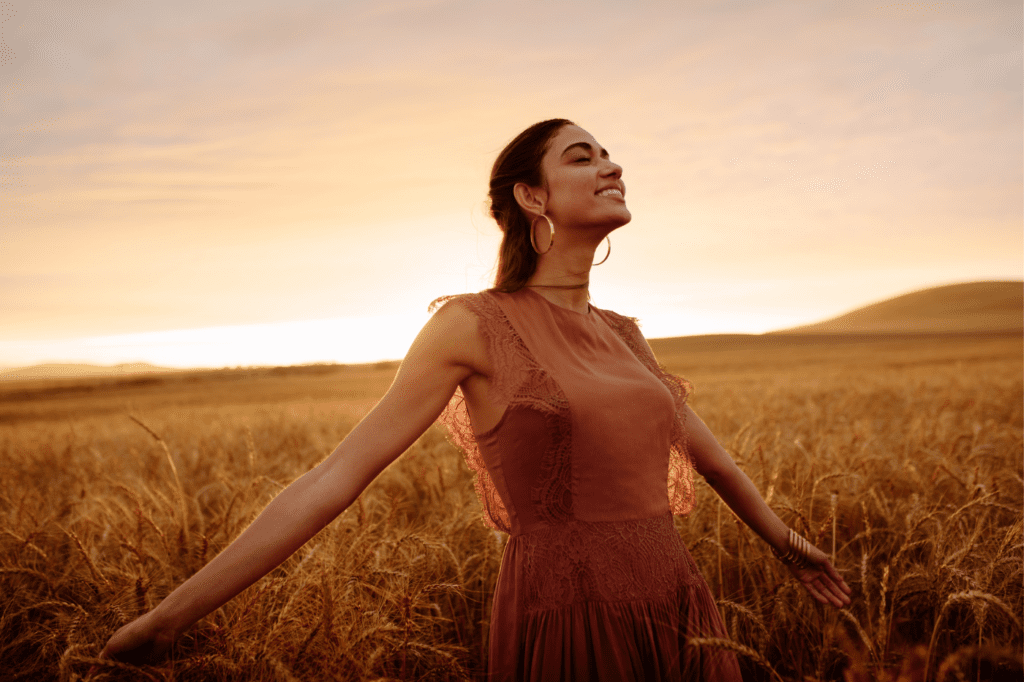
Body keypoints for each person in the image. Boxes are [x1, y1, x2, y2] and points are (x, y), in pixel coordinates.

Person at [99, 119, 852, 679]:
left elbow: (712, 460)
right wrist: (170, 619)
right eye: (582, 156)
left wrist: (789, 548)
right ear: (533, 194)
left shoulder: (624, 334)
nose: (612, 164)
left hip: (679, 606)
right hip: (569, 618)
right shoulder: (471, 324)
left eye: (611, 154)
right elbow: (335, 479)